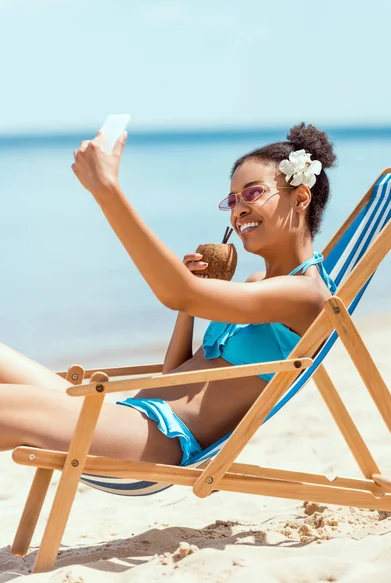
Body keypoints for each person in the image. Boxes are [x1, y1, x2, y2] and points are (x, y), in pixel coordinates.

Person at [0, 123, 336, 467]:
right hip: (129, 418)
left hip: (157, 439)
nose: (238, 210)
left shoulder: (306, 294)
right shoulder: (256, 285)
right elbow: (179, 373)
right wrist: (188, 308)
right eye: (233, 200)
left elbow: (177, 293)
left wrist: (107, 190)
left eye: (253, 193)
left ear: (301, 197)